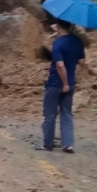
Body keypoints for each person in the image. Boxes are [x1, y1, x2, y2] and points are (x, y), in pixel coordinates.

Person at [36, 19, 86, 153]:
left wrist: (64, 84)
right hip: (71, 82)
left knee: (50, 114)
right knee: (67, 113)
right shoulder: (78, 41)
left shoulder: (58, 43)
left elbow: (59, 65)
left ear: (58, 27)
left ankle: (47, 144)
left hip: (55, 83)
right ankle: (68, 144)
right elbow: (82, 62)